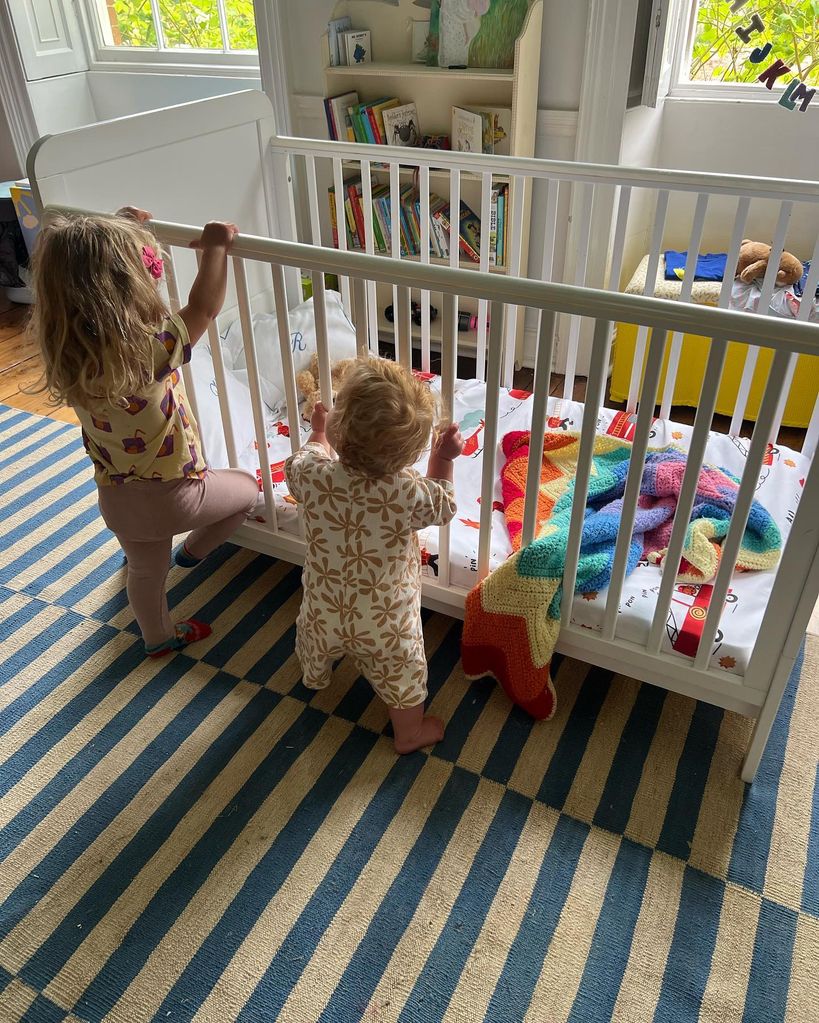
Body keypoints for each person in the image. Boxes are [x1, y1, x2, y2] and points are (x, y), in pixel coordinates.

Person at [29, 206, 259, 657]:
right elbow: (205, 307)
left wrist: (123, 227)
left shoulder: (68, 360)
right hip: (178, 497)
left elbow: (84, 273)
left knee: (145, 573)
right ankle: (193, 551)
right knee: (248, 491)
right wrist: (216, 247)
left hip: (117, 500)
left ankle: (158, 638)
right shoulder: (150, 352)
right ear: (124, 286)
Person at [285, 358, 463, 754]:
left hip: (324, 604)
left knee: (314, 634)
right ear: (407, 454)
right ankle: (410, 732)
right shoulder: (405, 492)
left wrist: (317, 433)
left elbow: (296, 467)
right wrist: (444, 458)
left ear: (338, 424)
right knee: (404, 671)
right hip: (386, 623)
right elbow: (443, 504)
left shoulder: (315, 475)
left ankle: (315, 675)